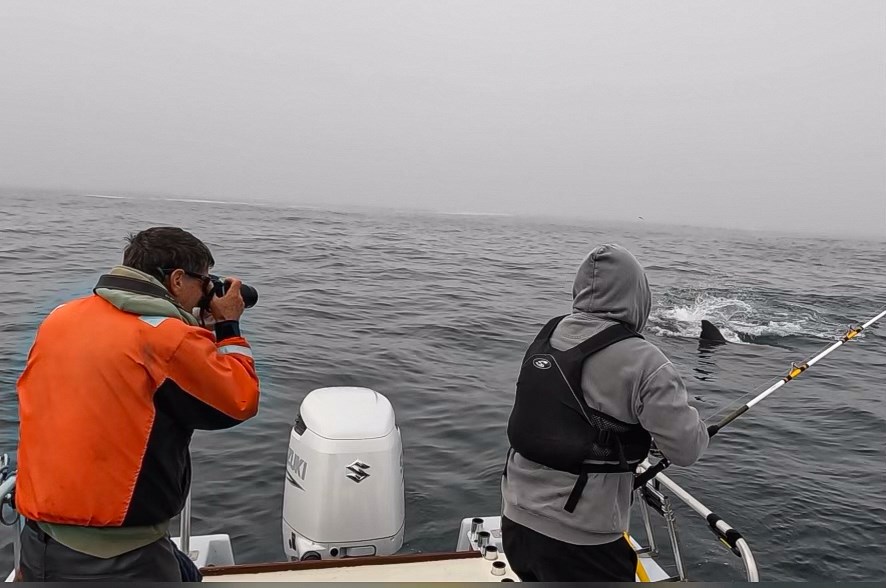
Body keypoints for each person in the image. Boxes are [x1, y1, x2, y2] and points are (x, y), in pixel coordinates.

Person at [15, 227, 261, 581]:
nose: (207, 291)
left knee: (187, 574)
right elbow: (238, 400)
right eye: (204, 281)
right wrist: (227, 327)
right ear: (178, 280)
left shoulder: (62, 317)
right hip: (115, 554)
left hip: (41, 538)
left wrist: (194, 326)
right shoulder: (167, 339)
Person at [501, 243, 709, 582]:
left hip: (516, 523)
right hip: (581, 540)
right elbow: (687, 450)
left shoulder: (547, 335)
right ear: (638, 296)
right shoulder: (646, 361)